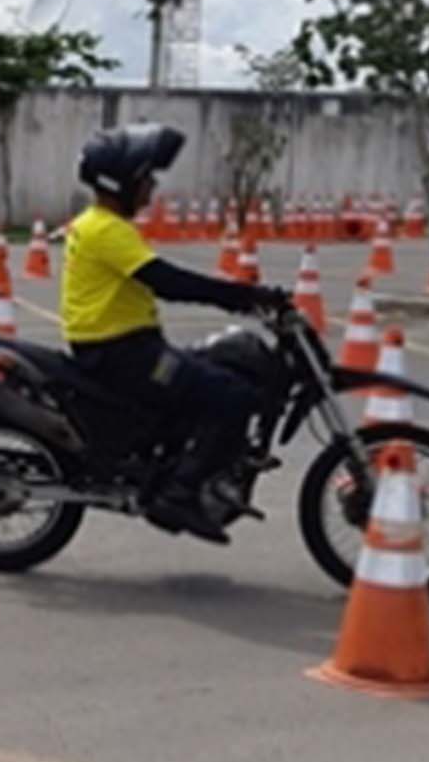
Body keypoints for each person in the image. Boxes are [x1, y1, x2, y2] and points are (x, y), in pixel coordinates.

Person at [62, 123, 294, 543]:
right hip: (124, 353)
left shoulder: (98, 224)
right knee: (234, 398)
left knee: (209, 377)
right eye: (146, 179)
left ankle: (173, 468)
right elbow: (167, 281)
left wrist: (242, 296)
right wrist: (244, 297)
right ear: (123, 181)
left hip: (122, 346)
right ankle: (179, 493)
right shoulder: (106, 229)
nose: (152, 189)